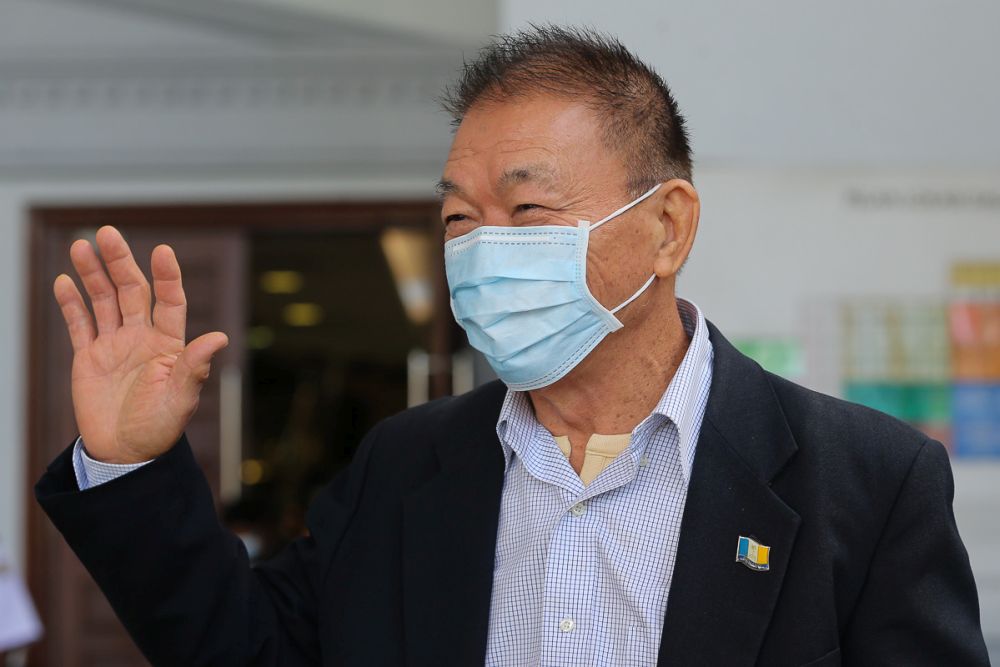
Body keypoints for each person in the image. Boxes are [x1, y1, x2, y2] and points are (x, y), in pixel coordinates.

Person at [36, 26, 989, 667]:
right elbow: (244, 648)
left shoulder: (866, 479)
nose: (483, 248)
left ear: (667, 228)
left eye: (529, 209)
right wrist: (128, 461)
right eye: (459, 217)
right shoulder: (406, 465)